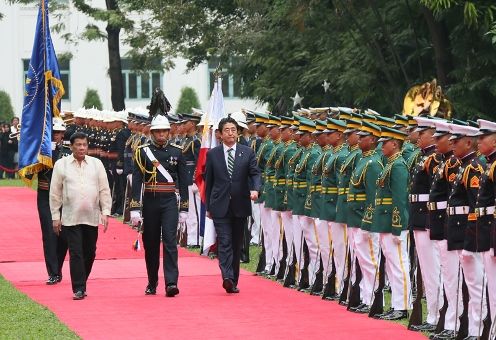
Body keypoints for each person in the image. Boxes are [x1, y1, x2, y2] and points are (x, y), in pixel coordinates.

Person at [130, 114, 188, 297]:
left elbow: (184, 181)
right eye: (158, 131)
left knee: (170, 242)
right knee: (151, 243)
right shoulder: (142, 151)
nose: (162, 134)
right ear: (152, 133)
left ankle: (171, 282)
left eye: (164, 131)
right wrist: (134, 208)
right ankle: (152, 281)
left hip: (170, 200)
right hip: (150, 200)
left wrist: (184, 207)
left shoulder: (178, 151)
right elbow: (137, 181)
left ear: (168, 132)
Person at [50, 131, 112, 300]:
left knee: (90, 252)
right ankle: (78, 287)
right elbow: (55, 193)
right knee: (75, 252)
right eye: (78, 145)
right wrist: (55, 216)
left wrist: (106, 212)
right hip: (70, 217)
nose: (82, 148)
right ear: (71, 146)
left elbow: (104, 190)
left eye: (84, 144)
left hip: (91, 216)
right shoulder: (61, 165)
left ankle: (81, 280)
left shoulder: (96, 164)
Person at [204, 116, 261, 293]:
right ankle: (226, 276)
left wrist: (255, 189)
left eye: (234, 130)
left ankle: (233, 279)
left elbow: (255, 174)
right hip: (219, 205)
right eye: (227, 130)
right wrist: (208, 207)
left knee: (236, 244)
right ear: (220, 134)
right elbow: (209, 182)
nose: (231, 133)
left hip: (240, 204)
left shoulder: (247, 152)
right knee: (225, 242)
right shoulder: (212, 154)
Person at [37, 118, 69, 285]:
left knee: (63, 236)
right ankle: (53, 271)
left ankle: (58, 267)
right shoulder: (40, 150)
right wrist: (40, 154)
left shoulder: (68, 150)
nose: (57, 135)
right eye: (55, 132)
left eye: (59, 133)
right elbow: (28, 172)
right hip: (45, 194)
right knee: (49, 234)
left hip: (64, 196)